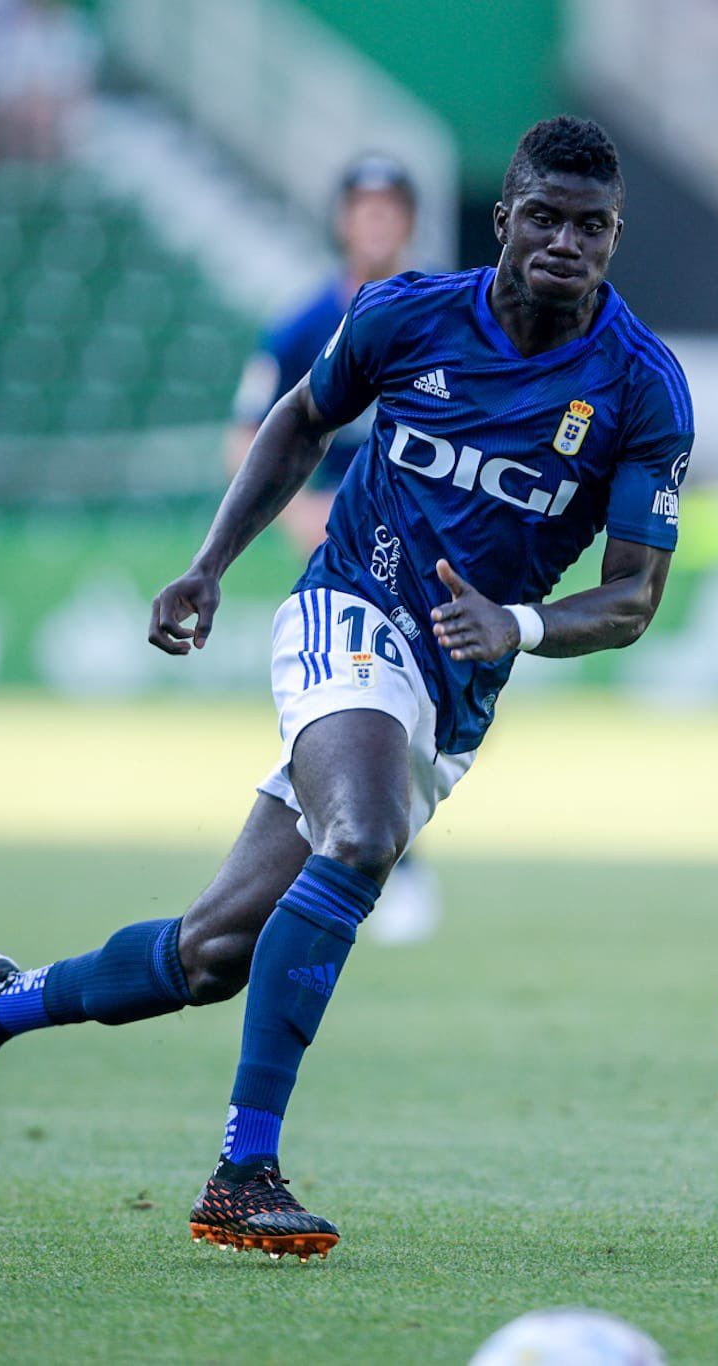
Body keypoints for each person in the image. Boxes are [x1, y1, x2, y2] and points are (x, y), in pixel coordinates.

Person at [0, 117, 694, 1262]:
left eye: (592, 226)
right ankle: (243, 1170)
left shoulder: (640, 385)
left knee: (210, 953)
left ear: (615, 237)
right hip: (344, 614)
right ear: (504, 218)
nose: (566, 242)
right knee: (363, 836)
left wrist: (513, 624)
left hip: (453, 686)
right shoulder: (404, 314)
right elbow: (298, 420)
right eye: (546, 218)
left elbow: (630, 597)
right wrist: (209, 566)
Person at [225, 154, 443, 944]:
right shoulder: (301, 324)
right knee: (346, 710)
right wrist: (298, 513)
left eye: (391, 209)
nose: (377, 222)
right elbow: (247, 435)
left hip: (421, 553)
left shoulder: (436, 314)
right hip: (342, 557)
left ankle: (386, 861)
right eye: (364, 208)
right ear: (344, 220)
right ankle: (371, 866)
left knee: (418, 714)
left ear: (408, 222)